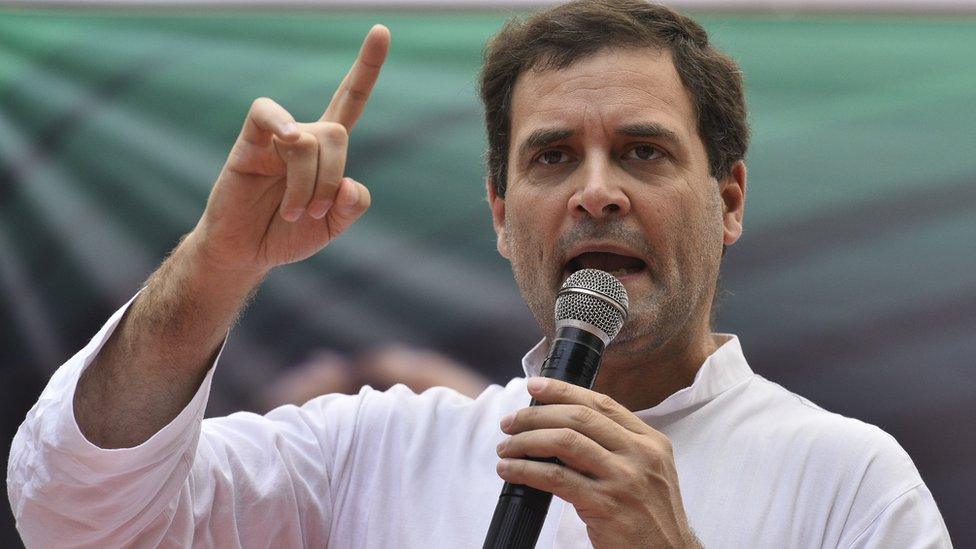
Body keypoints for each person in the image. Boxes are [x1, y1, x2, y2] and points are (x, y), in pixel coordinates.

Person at [7, 1, 951, 547]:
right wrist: (217, 261)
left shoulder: (851, 480)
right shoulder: (370, 453)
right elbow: (75, 513)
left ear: (731, 198)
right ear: (501, 215)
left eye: (643, 152)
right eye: (550, 158)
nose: (596, 193)